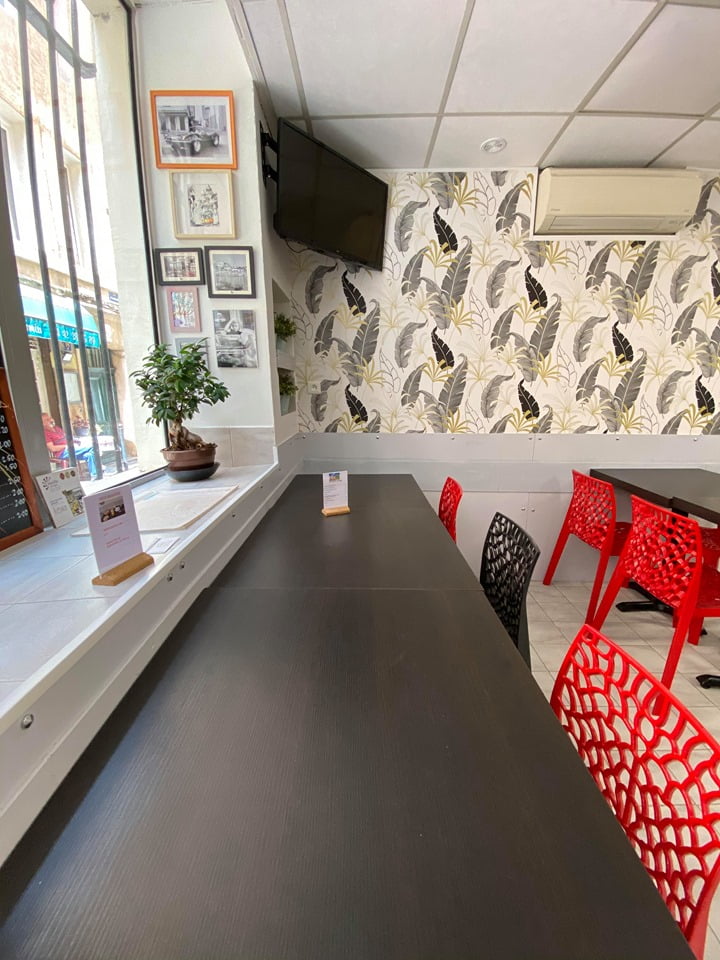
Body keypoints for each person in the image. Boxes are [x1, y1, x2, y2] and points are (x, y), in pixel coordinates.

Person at [42, 412, 96, 478]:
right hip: (61, 453)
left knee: (89, 455)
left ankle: (94, 474)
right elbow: (52, 448)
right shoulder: (45, 433)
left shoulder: (57, 428)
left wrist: (74, 440)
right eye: (47, 420)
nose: (51, 420)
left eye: (50, 418)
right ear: (43, 423)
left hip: (69, 449)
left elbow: (67, 438)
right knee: (92, 447)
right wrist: (66, 446)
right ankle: (96, 471)